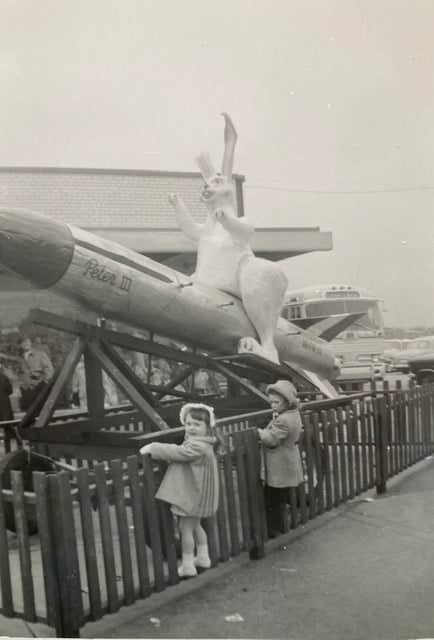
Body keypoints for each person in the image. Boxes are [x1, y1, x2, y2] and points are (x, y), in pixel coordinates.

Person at [140, 403, 221, 578]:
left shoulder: (197, 446)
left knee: (185, 529)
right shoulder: (205, 443)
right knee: (196, 525)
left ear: (207, 427)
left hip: (192, 497)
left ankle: (187, 565)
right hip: (198, 496)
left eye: (197, 425)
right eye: (189, 423)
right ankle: (203, 557)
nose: (191, 428)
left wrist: (154, 448)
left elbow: (179, 452)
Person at [258, 380, 304, 538]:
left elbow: (271, 440)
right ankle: (280, 526)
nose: (273, 405)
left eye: (276, 402)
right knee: (279, 497)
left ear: (287, 401)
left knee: (273, 499)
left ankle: (274, 530)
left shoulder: (284, 420)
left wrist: (260, 433)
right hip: (287, 462)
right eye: (271, 402)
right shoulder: (292, 414)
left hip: (280, 465)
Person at [19, 336, 54, 411]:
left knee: (42, 410)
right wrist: (22, 384)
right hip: (28, 389)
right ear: (20, 345)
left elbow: (49, 369)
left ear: (31, 343)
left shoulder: (40, 354)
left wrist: (44, 382)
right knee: (31, 411)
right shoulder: (21, 358)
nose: (26, 344)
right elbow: (22, 373)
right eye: (23, 342)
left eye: (27, 341)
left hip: (39, 387)